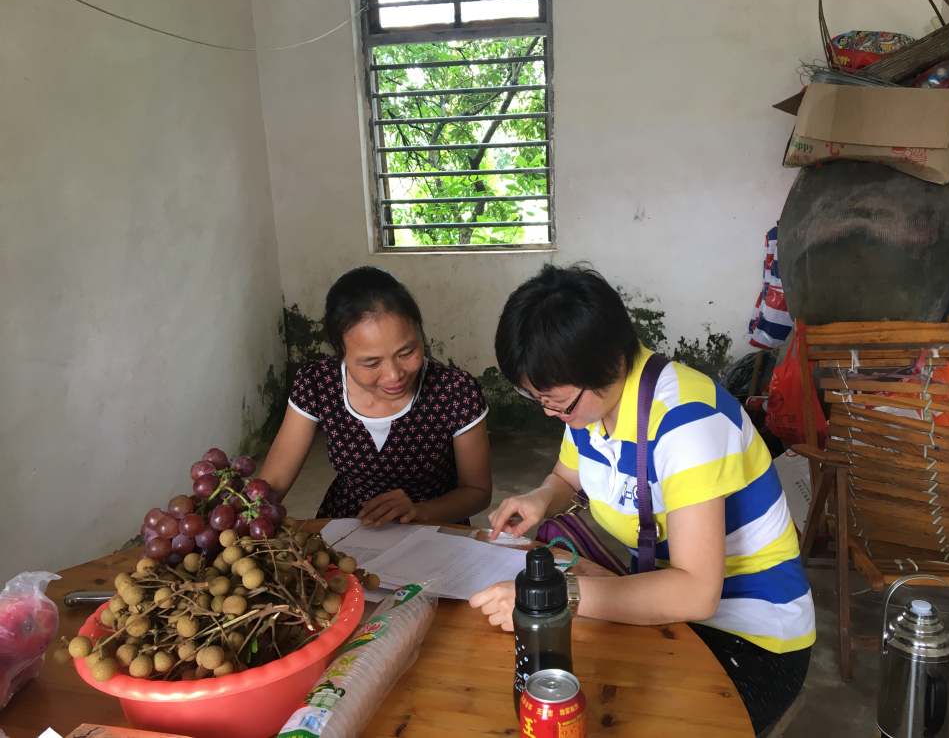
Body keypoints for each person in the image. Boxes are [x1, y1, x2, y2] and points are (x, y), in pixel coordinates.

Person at [470, 264, 814, 735]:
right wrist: (540, 499)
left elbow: (696, 592)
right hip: (664, 605)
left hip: (749, 637)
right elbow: (566, 475)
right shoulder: (590, 408)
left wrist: (558, 597)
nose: (551, 413)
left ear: (612, 363)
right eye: (538, 399)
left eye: (556, 401)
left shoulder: (686, 421)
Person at [260, 266, 493, 527]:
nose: (394, 375)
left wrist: (419, 511)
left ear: (420, 332)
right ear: (340, 351)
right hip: (346, 527)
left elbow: (477, 491)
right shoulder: (318, 382)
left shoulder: (455, 391)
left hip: (433, 529)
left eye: (406, 353)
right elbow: (270, 488)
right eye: (371, 363)